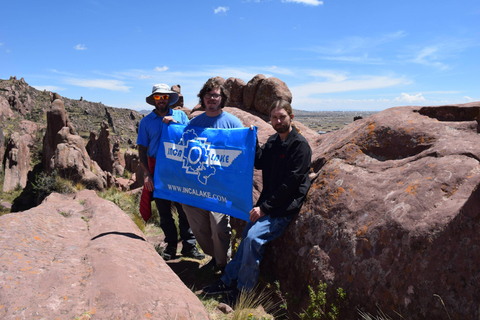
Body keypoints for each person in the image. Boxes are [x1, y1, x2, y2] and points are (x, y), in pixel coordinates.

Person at [202, 99, 312, 304]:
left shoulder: (300, 147)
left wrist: (264, 208)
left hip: (283, 208)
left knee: (252, 240)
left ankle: (243, 292)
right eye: (274, 117)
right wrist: (253, 142)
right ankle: (227, 281)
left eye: (282, 117)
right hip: (269, 204)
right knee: (245, 238)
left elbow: (290, 185)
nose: (278, 121)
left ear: (291, 117)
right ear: (270, 119)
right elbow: (261, 161)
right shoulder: (274, 141)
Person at [182, 78, 244, 273]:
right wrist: (171, 125)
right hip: (198, 185)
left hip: (221, 188)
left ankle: (222, 265)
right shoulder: (195, 123)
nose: (212, 99)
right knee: (199, 227)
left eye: (216, 95)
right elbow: (181, 143)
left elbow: (243, 150)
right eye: (208, 95)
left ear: (222, 98)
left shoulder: (233, 122)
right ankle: (217, 257)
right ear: (203, 98)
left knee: (218, 226)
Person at [137, 83, 204, 261]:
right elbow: (142, 150)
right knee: (164, 209)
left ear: (169, 99)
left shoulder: (180, 116)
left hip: (179, 168)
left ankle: (189, 245)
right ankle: (171, 245)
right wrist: (146, 174)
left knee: (184, 209)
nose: (162, 100)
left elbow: (192, 137)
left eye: (165, 97)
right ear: (153, 100)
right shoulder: (146, 122)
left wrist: (176, 125)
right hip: (158, 169)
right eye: (158, 97)